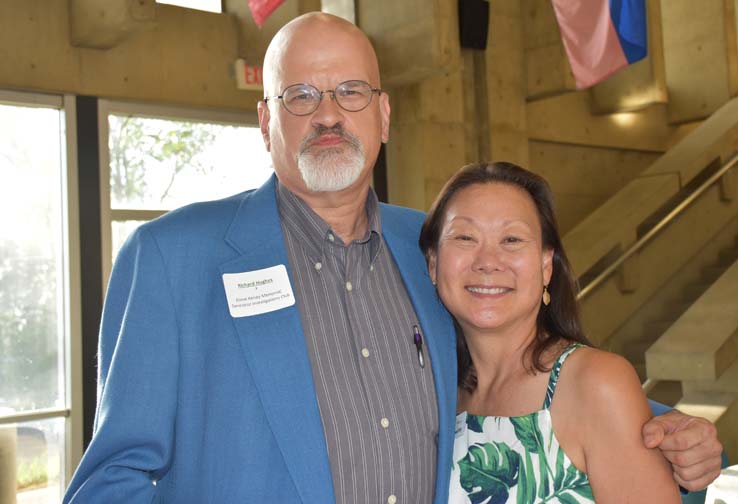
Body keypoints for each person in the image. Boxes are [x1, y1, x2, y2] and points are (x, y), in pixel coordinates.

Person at [63, 12, 723, 504]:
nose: (328, 115)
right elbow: (111, 479)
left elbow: (519, 375)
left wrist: (670, 433)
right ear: (266, 122)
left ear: (383, 115)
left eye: (350, 91)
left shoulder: (435, 249)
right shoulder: (173, 258)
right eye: (301, 95)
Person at [419, 162, 682, 502]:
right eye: (465, 237)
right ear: (433, 264)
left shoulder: (595, 381)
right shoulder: (437, 396)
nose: (487, 260)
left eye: (511, 239)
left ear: (546, 266)